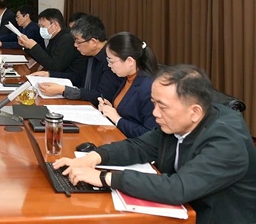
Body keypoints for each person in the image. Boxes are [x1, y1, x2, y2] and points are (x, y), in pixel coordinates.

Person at [54, 65, 256, 224]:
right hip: (182, 211)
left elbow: (178, 188)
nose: (155, 113)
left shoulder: (227, 142)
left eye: (163, 107)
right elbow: (140, 146)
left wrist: (105, 177)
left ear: (194, 112)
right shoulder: (178, 122)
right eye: (154, 103)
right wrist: (94, 157)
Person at [35, 15, 122, 107]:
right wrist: (48, 74)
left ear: (93, 42)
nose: (75, 45)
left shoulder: (112, 60)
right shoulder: (89, 54)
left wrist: (64, 90)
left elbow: (102, 95)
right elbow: (77, 77)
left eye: (78, 42)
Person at [95, 32, 159, 138]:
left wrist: (117, 119)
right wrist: (111, 109)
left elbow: (149, 134)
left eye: (111, 61)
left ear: (130, 61)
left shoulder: (148, 87)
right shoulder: (127, 78)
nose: (109, 65)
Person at [18, 8, 87, 80]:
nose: (41, 29)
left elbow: (54, 67)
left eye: (43, 26)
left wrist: (34, 46)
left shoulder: (67, 39)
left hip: (68, 80)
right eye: (40, 26)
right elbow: (45, 58)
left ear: (55, 25)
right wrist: (27, 46)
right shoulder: (55, 37)